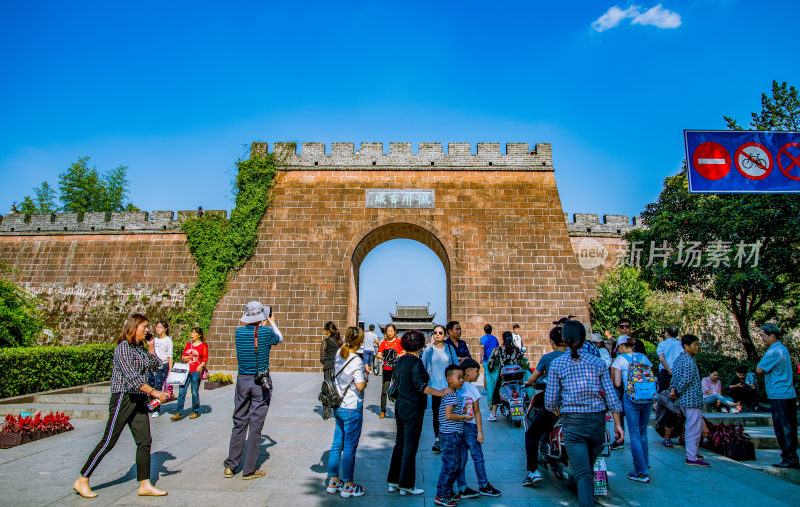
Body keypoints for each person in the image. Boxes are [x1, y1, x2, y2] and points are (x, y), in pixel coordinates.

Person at [73, 314, 168, 498]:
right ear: (133, 328)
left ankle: (145, 483)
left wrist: (151, 346)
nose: (147, 331)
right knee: (109, 441)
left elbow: (156, 365)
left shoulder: (139, 350)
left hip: (138, 399)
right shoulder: (123, 348)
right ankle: (82, 479)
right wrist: (155, 393)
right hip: (123, 399)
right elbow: (132, 378)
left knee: (144, 441)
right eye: (144, 327)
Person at [545, 320, 623, 507]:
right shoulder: (598, 363)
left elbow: (549, 401)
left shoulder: (557, 364)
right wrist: (618, 424)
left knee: (583, 475)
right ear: (584, 339)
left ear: (564, 339)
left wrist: (558, 410)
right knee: (587, 469)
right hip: (597, 423)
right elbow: (611, 397)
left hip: (573, 423)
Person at [223, 301, 283, 480]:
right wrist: (271, 322)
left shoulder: (238, 332)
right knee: (255, 425)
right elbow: (279, 338)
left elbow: (251, 337)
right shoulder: (265, 332)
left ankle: (231, 465)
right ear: (261, 316)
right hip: (260, 382)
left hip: (242, 380)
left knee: (239, 422)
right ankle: (249, 469)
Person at [387, 330, 446, 496]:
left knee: (400, 443)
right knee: (410, 446)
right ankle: (406, 483)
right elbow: (420, 386)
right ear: (420, 345)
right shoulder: (416, 363)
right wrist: (440, 393)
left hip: (400, 406)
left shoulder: (400, 361)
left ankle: (394, 480)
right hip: (413, 407)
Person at [326, 326, 368, 498]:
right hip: (351, 406)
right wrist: (365, 377)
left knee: (337, 445)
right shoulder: (356, 360)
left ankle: (333, 480)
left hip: (338, 405)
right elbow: (359, 385)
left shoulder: (339, 353)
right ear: (360, 342)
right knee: (350, 447)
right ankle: (349, 484)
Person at [522, 326, 566, 486]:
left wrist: (530, 382)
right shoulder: (577, 356)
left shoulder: (548, 359)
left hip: (554, 407)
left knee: (531, 434)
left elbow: (533, 378)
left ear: (552, 341)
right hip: (577, 407)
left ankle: (533, 472)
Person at [455, 358, 501, 498]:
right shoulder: (471, 388)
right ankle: (483, 484)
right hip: (470, 427)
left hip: (459, 426)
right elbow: (477, 411)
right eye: (477, 372)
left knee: (461, 458)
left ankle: (462, 486)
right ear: (468, 372)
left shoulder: (457, 387)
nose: (478, 375)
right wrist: (480, 431)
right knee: (478, 457)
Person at [756, 323, 799, 469]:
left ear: (772, 336)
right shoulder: (783, 349)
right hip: (787, 394)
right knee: (789, 427)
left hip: (779, 395)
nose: (761, 338)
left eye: (763, 335)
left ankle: (789, 458)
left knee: (782, 428)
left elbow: (759, 369)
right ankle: (790, 456)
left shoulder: (773, 352)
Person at [612, 336, 654, 483]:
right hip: (648, 398)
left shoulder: (620, 360)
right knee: (643, 432)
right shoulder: (643, 357)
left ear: (622, 346)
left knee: (634, 435)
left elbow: (617, 383)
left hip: (631, 398)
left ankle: (641, 472)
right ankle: (645, 464)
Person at [434, 365, 474, 507]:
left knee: (454, 464)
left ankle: (448, 491)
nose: (462, 380)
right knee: (450, 465)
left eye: (462, 377)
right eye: (459, 377)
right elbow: (448, 415)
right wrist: (464, 416)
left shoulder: (453, 395)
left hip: (453, 435)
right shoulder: (451, 395)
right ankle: (441, 494)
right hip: (450, 435)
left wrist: (462, 410)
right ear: (449, 379)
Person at [670, 334, 710, 467]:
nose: (697, 347)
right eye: (695, 345)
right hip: (691, 399)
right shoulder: (688, 360)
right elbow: (686, 379)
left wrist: (674, 390)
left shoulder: (679, 359)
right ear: (686, 346)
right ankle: (692, 457)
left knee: (693, 426)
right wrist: (678, 391)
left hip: (684, 399)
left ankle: (693, 453)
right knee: (693, 428)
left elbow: (674, 377)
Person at [422, 325, 459, 453]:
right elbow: (423, 368)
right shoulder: (428, 351)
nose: (437, 334)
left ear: (445, 335)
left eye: (440, 332)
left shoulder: (449, 348)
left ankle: (450, 438)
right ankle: (438, 439)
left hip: (449, 388)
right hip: (435, 389)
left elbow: (456, 365)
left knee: (450, 414)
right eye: (435, 333)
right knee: (437, 415)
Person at [487, 331, 530, 421]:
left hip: (504, 376)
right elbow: (522, 361)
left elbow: (491, 362)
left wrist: (491, 369)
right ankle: (528, 410)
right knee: (523, 389)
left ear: (503, 339)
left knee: (496, 393)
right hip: (517, 376)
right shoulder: (517, 349)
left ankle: (494, 414)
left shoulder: (498, 349)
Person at [172, 326, 208, 421]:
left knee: (194, 392)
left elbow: (205, 358)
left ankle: (195, 411)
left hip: (195, 371)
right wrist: (184, 358)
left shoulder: (203, 345)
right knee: (182, 392)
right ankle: (178, 412)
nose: (192, 334)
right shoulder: (188, 345)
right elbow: (183, 356)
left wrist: (201, 366)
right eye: (191, 332)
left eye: (194, 333)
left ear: (199, 335)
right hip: (186, 370)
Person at [656, 326, 683, 446]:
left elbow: (662, 359)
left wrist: (669, 371)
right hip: (679, 373)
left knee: (666, 402)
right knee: (679, 402)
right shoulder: (681, 345)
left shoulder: (662, 344)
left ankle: (667, 436)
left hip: (665, 372)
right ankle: (682, 435)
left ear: (667, 333)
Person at [147, 320, 173, 418]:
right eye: (156, 327)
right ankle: (150, 406)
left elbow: (170, 356)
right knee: (150, 386)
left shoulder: (168, 341)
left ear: (165, 329)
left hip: (162, 366)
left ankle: (156, 409)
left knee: (158, 387)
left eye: (160, 327)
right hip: (152, 366)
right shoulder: (155, 340)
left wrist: (170, 369)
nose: (158, 329)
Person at [378, 324, 403, 419]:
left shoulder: (399, 342)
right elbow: (378, 354)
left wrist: (396, 356)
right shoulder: (383, 343)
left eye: (392, 331)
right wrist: (385, 357)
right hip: (387, 369)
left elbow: (404, 352)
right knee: (385, 389)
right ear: (386, 333)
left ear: (395, 332)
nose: (390, 333)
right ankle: (382, 410)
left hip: (396, 368)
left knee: (398, 390)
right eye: (388, 331)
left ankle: (397, 412)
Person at [320, 322, 342, 420]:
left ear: (328, 331)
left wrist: (325, 361)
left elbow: (322, 357)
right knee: (337, 390)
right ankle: (338, 412)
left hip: (328, 367)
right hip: (337, 367)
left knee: (327, 390)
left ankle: (327, 415)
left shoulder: (325, 341)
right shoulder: (339, 341)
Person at [480, 324, 499, 393]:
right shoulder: (495, 338)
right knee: (494, 373)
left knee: (486, 374)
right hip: (494, 359)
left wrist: (480, 357)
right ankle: (494, 389)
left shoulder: (483, 338)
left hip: (486, 358)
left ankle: (485, 390)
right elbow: (497, 348)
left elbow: (482, 348)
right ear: (491, 330)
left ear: (484, 330)